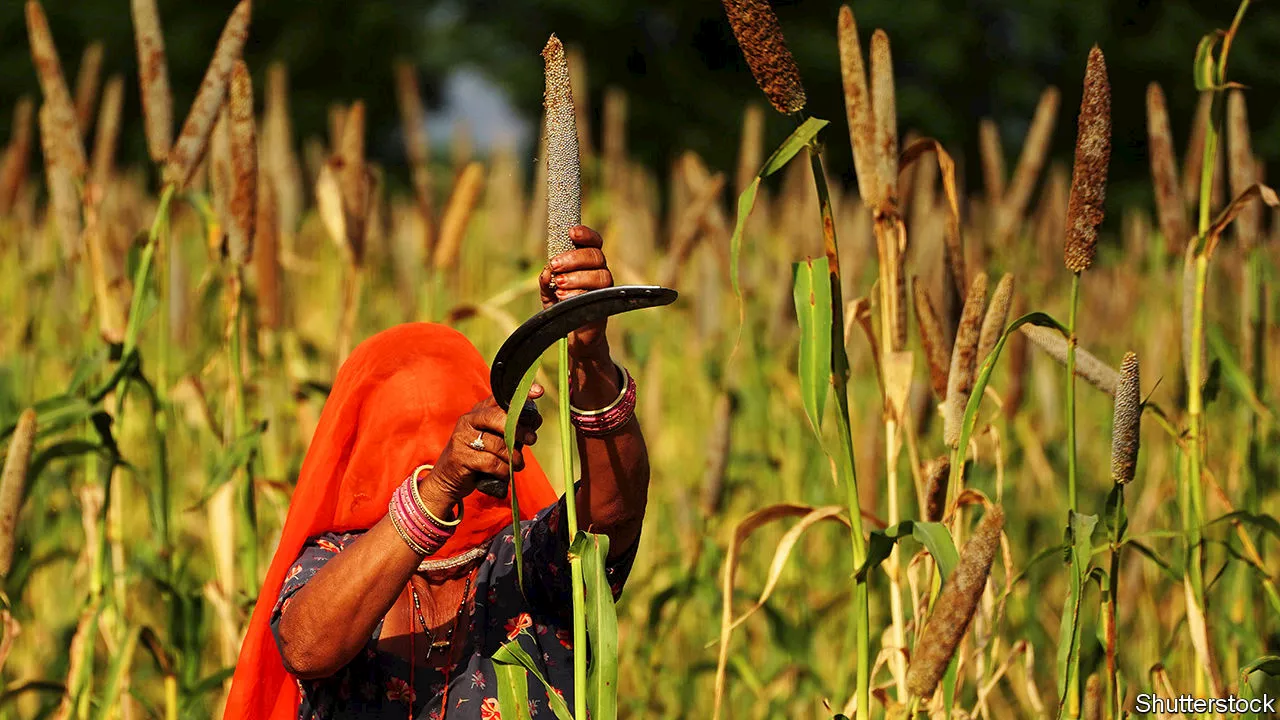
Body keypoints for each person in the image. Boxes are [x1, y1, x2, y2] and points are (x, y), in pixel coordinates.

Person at [223, 226, 650, 719]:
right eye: (400, 435)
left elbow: (614, 511)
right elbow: (306, 648)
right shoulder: (333, 563)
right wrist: (439, 488)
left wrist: (590, 358)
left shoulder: (525, 563)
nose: (425, 448)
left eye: (446, 423)